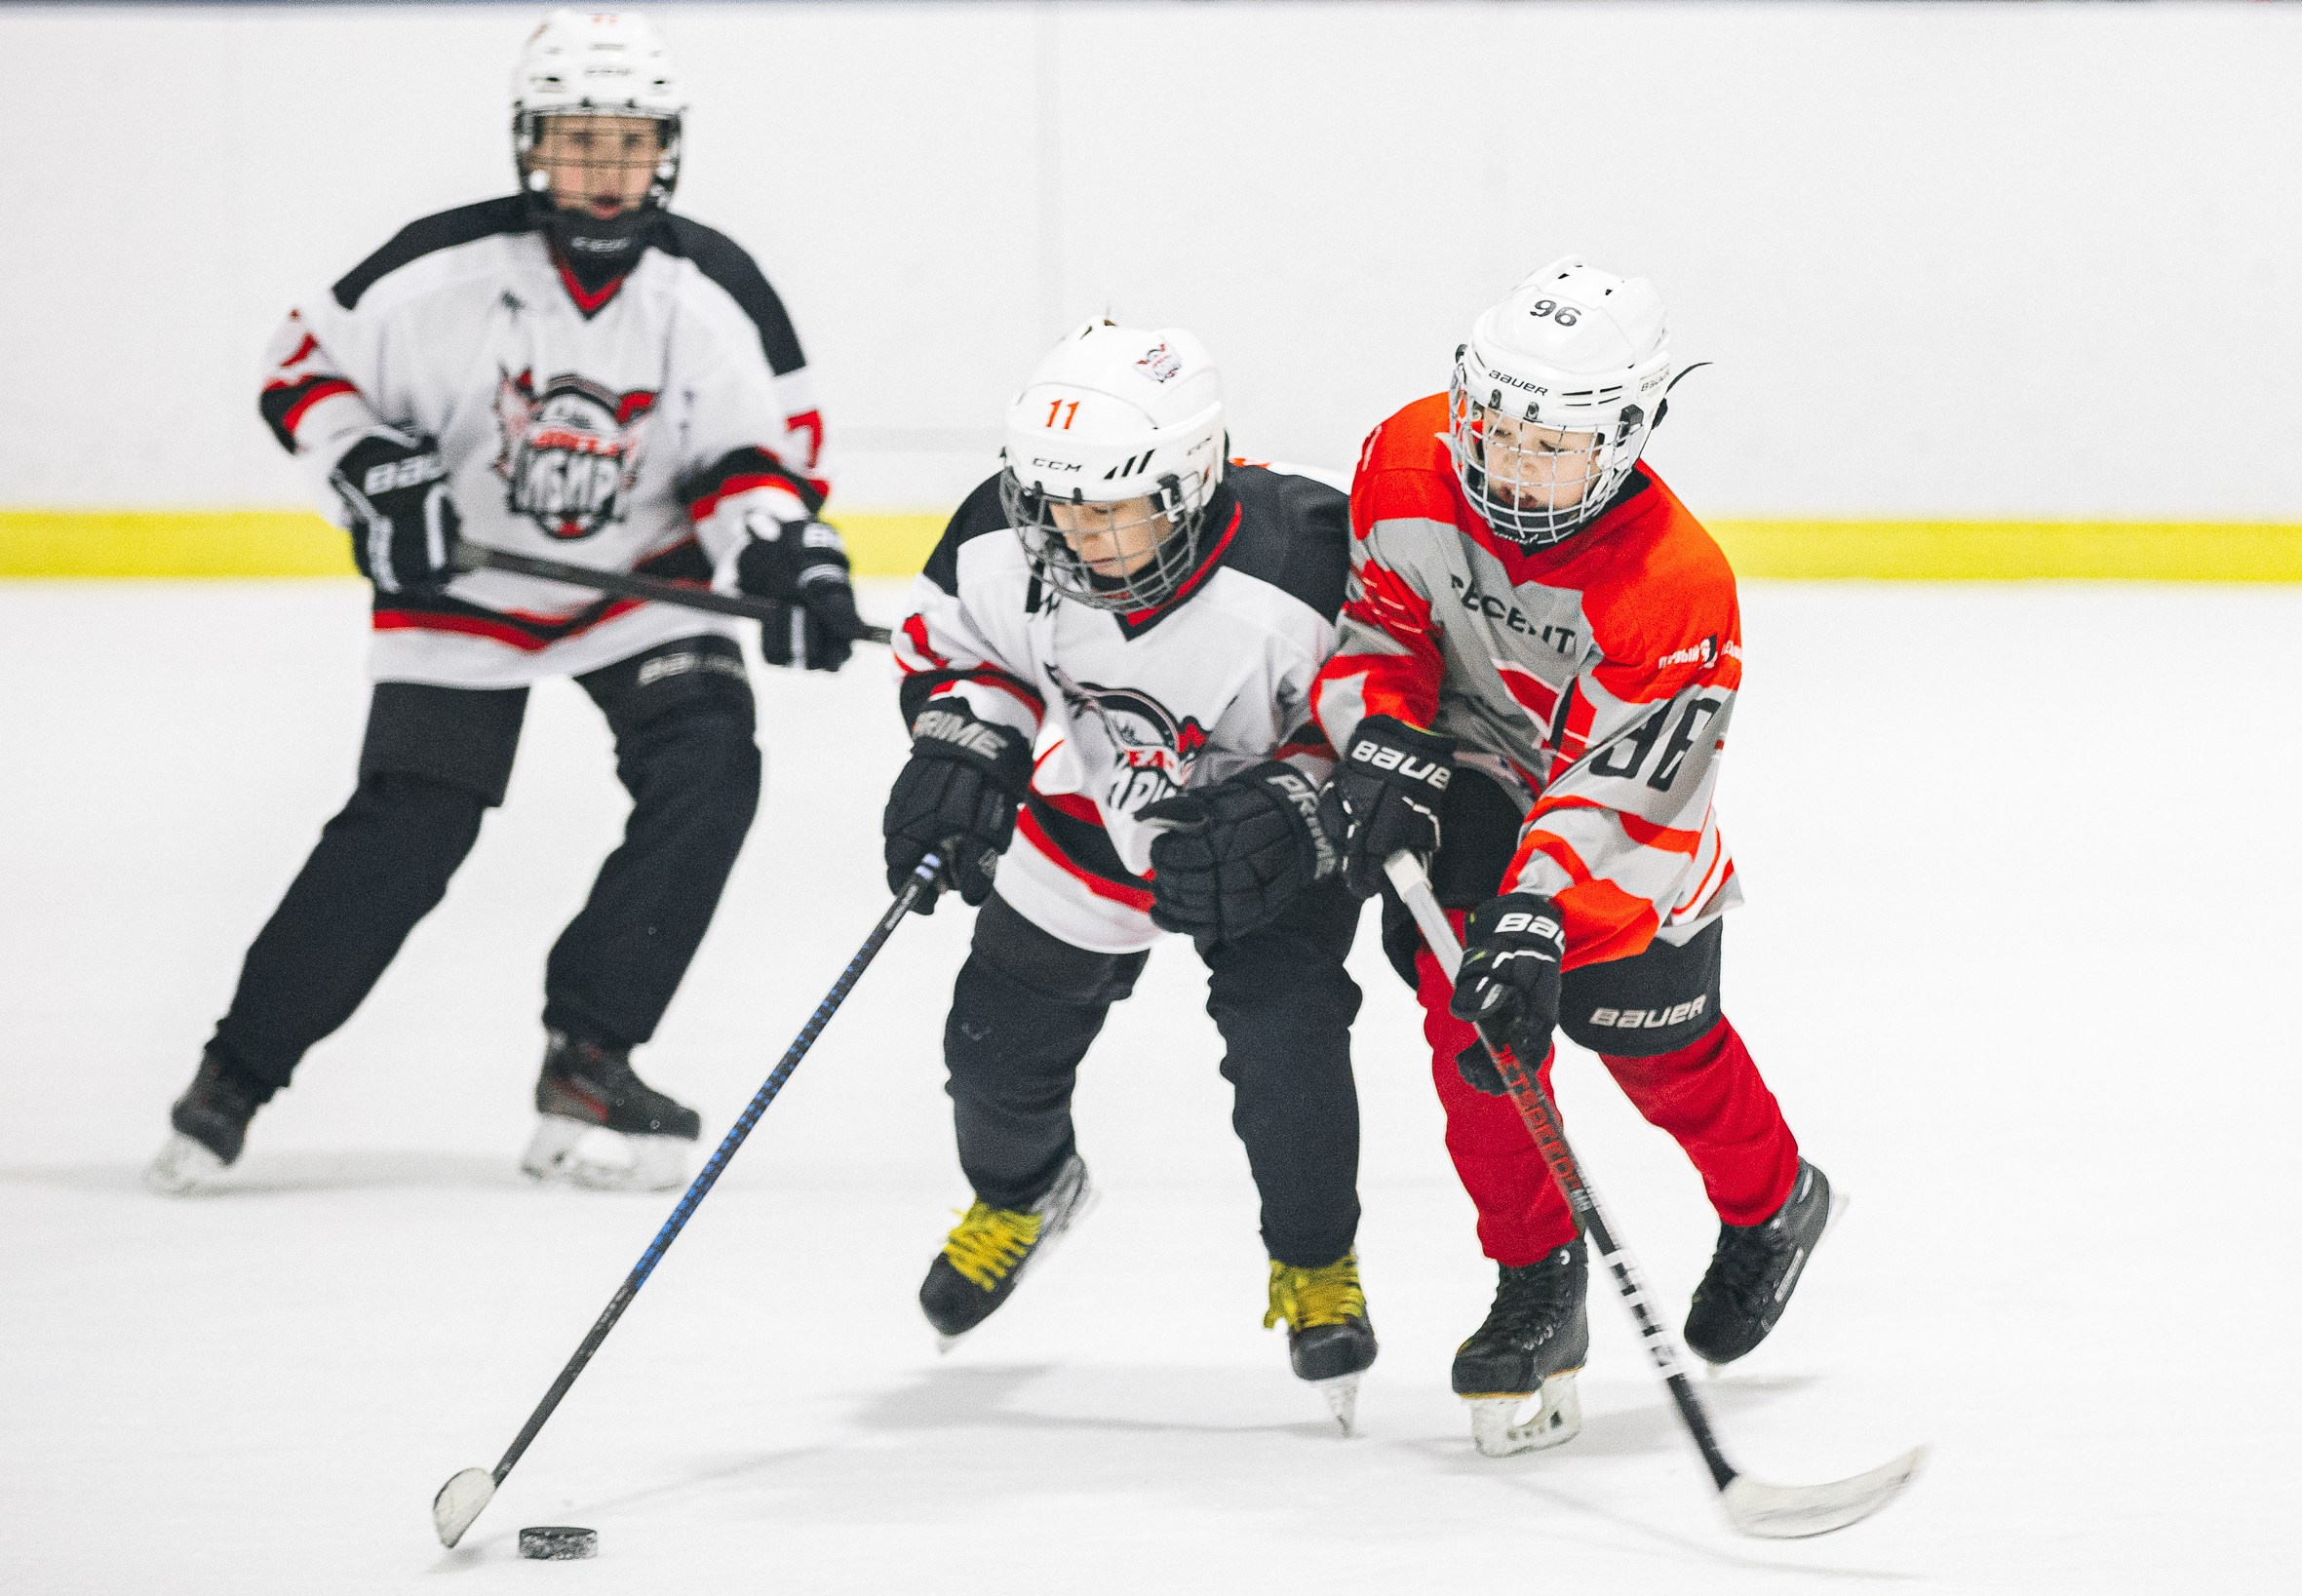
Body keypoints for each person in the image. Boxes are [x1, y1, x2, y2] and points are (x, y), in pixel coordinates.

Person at [146, 10, 869, 1196]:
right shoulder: (443, 268)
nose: (603, 172)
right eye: (579, 142)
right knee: (413, 829)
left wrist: (790, 558)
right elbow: (300, 369)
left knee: (709, 764)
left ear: (666, 152)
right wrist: (375, 468)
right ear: (531, 145)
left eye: (628, 145)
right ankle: (236, 1073)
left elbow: (758, 460)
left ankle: (590, 1054)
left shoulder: (711, 289)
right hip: (463, 582)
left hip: (640, 584)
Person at [1314, 258, 1836, 1457]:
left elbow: (1628, 792)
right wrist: (1380, 736)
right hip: (1469, 785)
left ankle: (1774, 1205)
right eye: (1493, 432)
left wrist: (1542, 911)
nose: (1509, 469)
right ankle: (1537, 1283)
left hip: (1615, 839)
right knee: (1477, 1034)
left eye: (1552, 447)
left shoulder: (1675, 583)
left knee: (1658, 1054)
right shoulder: (1404, 462)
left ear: (1630, 433)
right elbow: (1380, 631)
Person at [885, 318, 1376, 1428]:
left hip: (1272, 845)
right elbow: (966, 655)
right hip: (1098, 811)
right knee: (990, 1051)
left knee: (1284, 1046)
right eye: (1060, 506)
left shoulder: (1306, 556)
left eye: (1115, 506)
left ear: (1194, 475)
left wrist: (1298, 804)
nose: (1080, 537)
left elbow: (1383, 718)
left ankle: (1315, 1264)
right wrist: (965, 738)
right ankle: (1026, 1192)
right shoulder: (1003, 533)